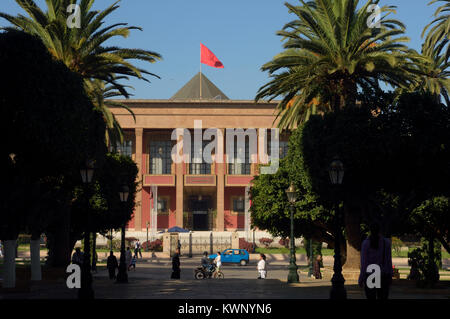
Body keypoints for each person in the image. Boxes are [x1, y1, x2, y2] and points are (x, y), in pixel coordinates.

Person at [358, 223, 393, 300]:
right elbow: (388, 261)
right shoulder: (386, 243)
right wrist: (390, 275)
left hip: (370, 275)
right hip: (383, 275)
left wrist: (361, 278)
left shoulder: (366, 243)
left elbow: (364, 263)